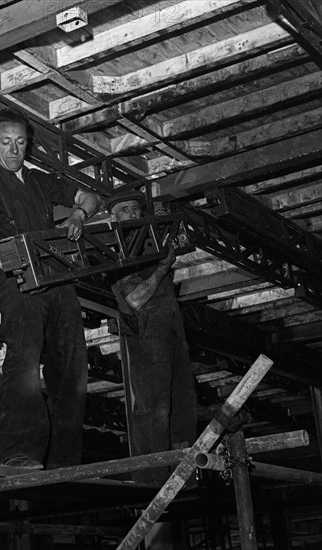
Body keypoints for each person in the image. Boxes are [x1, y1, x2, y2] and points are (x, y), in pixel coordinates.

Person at [0, 108, 100, 470]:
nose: (13, 150)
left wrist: (77, 215)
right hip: (18, 285)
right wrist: (15, 263)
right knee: (24, 363)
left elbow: (90, 198)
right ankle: (17, 452)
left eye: (20, 143)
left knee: (71, 369)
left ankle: (64, 462)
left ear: (28, 145)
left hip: (57, 280)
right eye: (6, 143)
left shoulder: (41, 181)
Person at [106, 189, 197, 485]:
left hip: (172, 329)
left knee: (183, 401)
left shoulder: (152, 247)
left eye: (135, 209)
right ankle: (153, 480)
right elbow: (134, 299)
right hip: (148, 334)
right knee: (154, 407)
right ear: (112, 218)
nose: (132, 215)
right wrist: (162, 268)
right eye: (124, 211)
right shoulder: (116, 256)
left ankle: (185, 475)